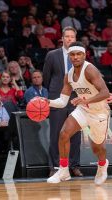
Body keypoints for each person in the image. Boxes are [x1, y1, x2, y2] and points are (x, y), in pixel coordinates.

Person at [46, 42, 110, 184]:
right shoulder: (68, 76)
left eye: (78, 54)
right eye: (72, 54)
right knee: (63, 134)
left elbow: (105, 93)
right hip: (83, 110)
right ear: (69, 56)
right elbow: (62, 102)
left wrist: (86, 101)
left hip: (99, 112)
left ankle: (102, 165)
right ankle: (63, 171)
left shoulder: (90, 70)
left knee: (97, 148)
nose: (75, 57)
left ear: (84, 55)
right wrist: (47, 102)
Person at [43, 26, 83, 177]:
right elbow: (46, 77)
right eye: (67, 37)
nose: (69, 39)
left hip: (75, 98)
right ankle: (54, 166)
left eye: (72, 37)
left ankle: (74, 165)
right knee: (56, 133)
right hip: (57, 97)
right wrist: (54, 92)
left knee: (75, 134)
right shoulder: (52, 55)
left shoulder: (80, 56)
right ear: (62, 38)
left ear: (75, 38)